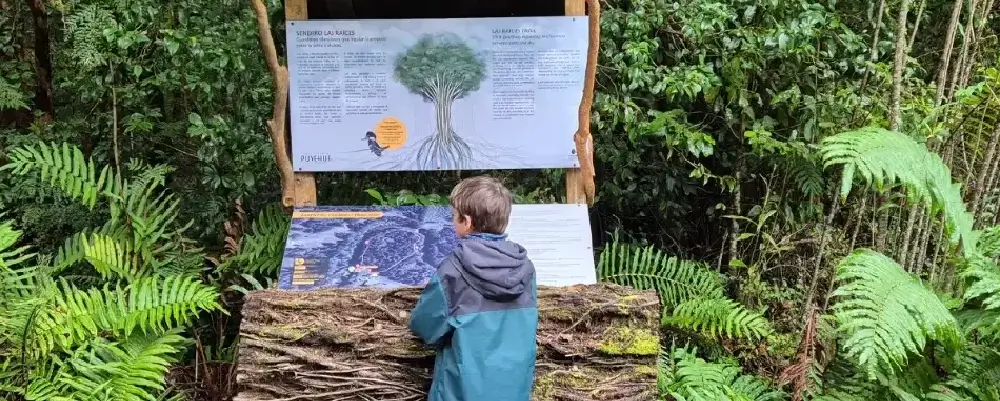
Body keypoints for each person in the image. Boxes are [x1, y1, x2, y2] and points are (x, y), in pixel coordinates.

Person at [408, 175, 538, 401]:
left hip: (460, 391)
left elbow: (424, 325)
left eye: (453, 217)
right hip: (513, 390)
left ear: (466, 222)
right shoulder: (525, 268)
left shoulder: (454, 269)